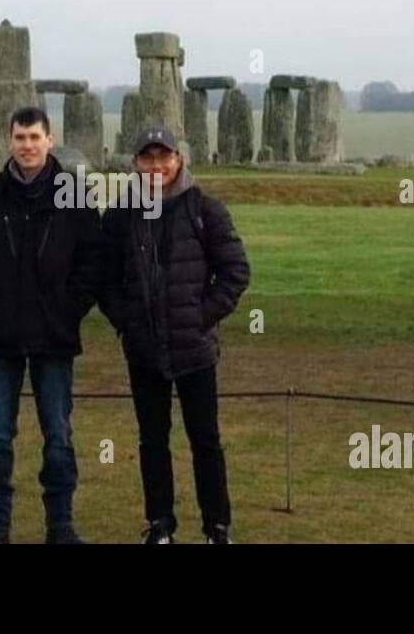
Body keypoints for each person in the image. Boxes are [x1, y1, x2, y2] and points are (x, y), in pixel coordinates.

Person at [101, 127, 250, 544]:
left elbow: (236, 271)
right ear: (135, 164)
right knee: (152, 441)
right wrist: (127, 322)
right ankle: (160, 524)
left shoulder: (205, 209)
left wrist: (202, 316)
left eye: (163, 158)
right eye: (147, 159)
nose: (156, 167)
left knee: (205, 440)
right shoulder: (120, 215)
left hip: (194, 347)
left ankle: (217, 526)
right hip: (144, 347)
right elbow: (104, 279)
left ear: (178, 160)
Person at [0, 107, 103, 545]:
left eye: (34, 137)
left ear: (50, 138)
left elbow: (93, 261)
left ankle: (60, 525)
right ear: (8, 140)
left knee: (58, 435)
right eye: (19, 137)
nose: (27, 145)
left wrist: (68, 307)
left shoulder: (74, 194)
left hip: (53, 334)